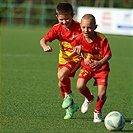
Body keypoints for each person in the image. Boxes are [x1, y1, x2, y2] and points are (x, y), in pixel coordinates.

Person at [40, 2, 83, 119]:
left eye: (67, 19)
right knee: (61, 83)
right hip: (63, 59)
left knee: (61, 75)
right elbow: (43, 40)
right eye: (61, 19)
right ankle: (71, 107)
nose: (64, 22)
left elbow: (89, 40)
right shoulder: (57, 29)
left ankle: (69, 96)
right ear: (57, 17)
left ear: (73, 15)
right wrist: (45, 46)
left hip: (75, 59)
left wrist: (82, 47)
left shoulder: (80, 28)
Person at [72, 14, 112, 122]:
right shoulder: (79, 38)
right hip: (87, 67)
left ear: (95, 27)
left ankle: (97, 111)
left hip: (101, 69)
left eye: (89, 27)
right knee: (80, 86)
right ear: (80, 26)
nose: (86, 30)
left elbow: (108, 55)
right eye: (83, 27)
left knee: (102, 94)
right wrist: (83, 57)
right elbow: (75, 48)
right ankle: (89, 98)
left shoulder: (101, 39)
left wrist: (100, 63)